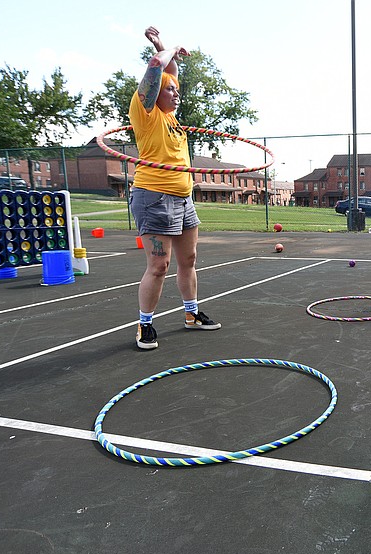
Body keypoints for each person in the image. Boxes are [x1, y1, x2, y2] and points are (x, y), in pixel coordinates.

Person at [128, 26, 221, 350]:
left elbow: (168, 70)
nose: (176, 93)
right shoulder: (146, 112)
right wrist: (163, 51)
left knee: (189, 259)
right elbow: (157, 68)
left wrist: (163, 47)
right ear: (155, 94)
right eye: (171, 90)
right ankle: (144, 325)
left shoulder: (171, 119)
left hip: (183, 198)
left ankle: (191, 314)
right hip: (154, 197)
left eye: (177, 90)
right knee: (159, 265)